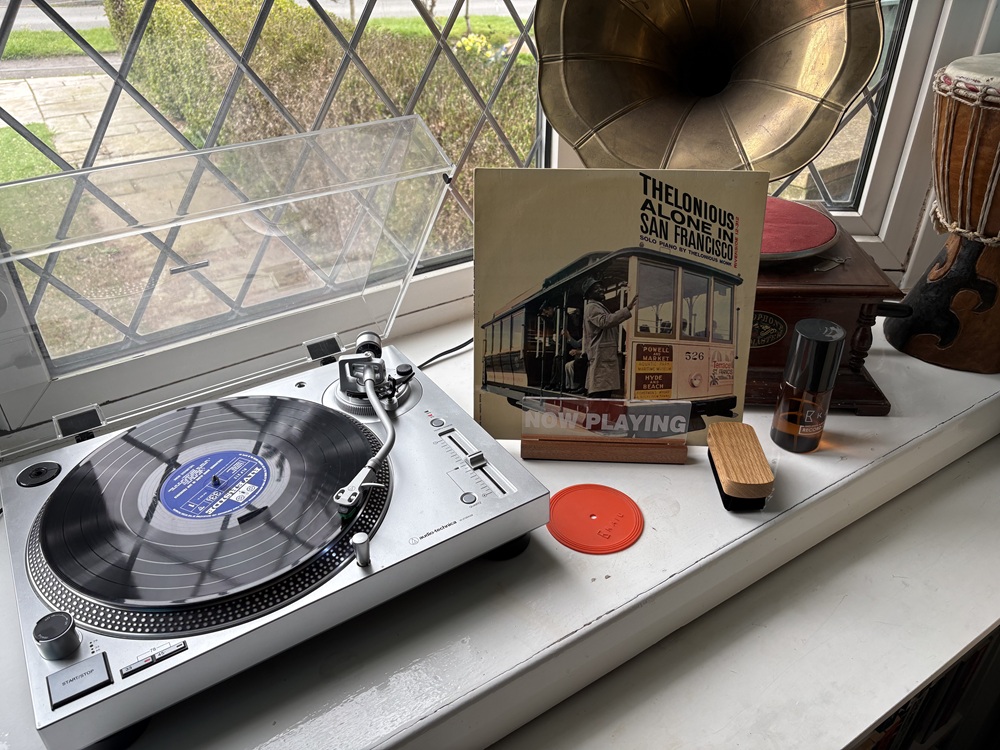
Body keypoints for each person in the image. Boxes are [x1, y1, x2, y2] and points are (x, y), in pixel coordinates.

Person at [581, 276, 638, 398]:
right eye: (596, 288)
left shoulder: (597, 306)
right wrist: (627, 309)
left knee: (602, 392)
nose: (601, 289)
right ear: (589, 294)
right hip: (601, 357)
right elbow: (605, 321)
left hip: (603, 356)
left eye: (601, 287)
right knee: (600, 393)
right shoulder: (592, 307)